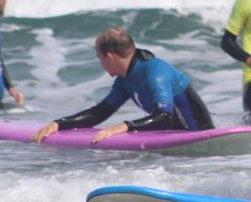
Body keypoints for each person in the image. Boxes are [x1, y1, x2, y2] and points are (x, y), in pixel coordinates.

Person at [32, 27, 215, 143]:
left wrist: (125, 126)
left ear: (109, 57)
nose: (101, 64)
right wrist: (60, 123)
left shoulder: (155, 72)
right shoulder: (124, 80)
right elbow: (100, 112)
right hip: (177, 145)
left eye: (100, 58)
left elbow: (164, 117)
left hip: (201, 144)